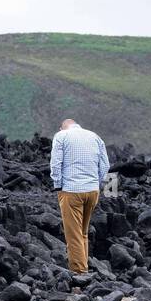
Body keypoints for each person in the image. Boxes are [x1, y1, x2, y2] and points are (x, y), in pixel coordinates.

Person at [50, 118, 110, 276]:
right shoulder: (94, 136)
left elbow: (56, 163)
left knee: (73, 233)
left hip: (71, 191)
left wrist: (58, 185)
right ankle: (84, 268)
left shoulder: (61, 136)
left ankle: (79, 273)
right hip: (92, 191)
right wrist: (95, 182)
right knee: (83, 232)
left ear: (63, 127)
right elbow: (105, 166)